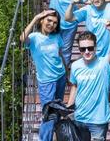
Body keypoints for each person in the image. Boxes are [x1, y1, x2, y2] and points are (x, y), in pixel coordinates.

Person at [67, 21, 110, 140]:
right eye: (83, 49)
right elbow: (74, 86)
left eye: (90, 48)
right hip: (79, 117)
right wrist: (68, 108)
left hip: (98, 120)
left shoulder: (105, 64)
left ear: (95, 47)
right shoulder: (75, 65)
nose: (86, 51)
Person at [20, 9, 66, 141]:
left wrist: (66, 74)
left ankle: (55, 135)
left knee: (57, 109)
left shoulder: (57, 37)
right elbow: (22, 38)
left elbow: (60, 56)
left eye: (55, 22)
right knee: (48, 114)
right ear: (42, 21)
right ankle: (45, 138)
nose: (51, 24)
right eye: (49, 20)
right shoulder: (34, 37)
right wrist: (35, 17)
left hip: (61, 77)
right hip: (46, 82)